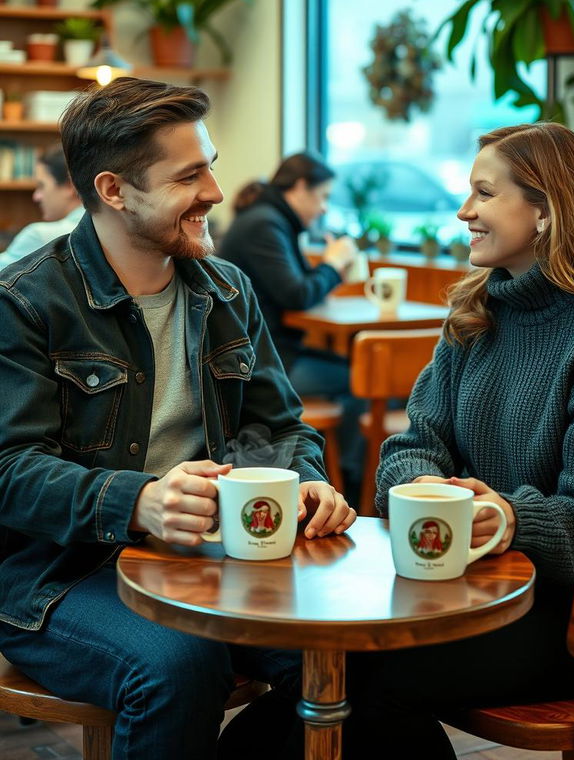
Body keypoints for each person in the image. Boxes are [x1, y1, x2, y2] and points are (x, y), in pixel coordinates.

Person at [0, 76, 355, 760]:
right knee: (179, 665)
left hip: (213, 558)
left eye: (211, 165)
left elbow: (282, 428)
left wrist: (304, 480)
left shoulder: (227, 289)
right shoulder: (24, 302)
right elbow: (10, 472)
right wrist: (143, 502)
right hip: (59, 575)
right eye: (190, 174)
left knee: (349, 652)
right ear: (113, 190)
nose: (216, 192)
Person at [340, 122, 574, 759]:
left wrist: (505, 516)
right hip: (469, 589)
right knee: (326, 672)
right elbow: (414, 442)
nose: (463, 210)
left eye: (484, 193)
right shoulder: (476, 307)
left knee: (368, 682)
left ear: (546, 210)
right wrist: (421, 486)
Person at [220, 153, 365, 500]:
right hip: (267, 361)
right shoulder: (265, 224)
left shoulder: (271, 221)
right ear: (300, 187)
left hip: (273, 351)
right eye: (323, 196)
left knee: (363, 373)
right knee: (362, 380)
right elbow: (297, 294)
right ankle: (354, 483)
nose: (325, 208)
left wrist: (330, 270)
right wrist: (333, 264)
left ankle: (346, 474)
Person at [0, 144, 83, 270]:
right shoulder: (109, 230)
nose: (36, 196)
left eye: (41, 186)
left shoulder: (39, 236)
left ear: (70, 186)